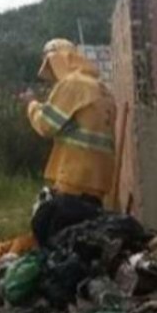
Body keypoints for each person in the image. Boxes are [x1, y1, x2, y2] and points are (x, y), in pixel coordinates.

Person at [25, 38, 116, 247]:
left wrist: (31, 105)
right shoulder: (102, 89)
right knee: (85, 243)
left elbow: (46, 125)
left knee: (59, 241)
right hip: (98, 182)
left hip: (74, 177)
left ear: (57, 60)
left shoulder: (73, 84)